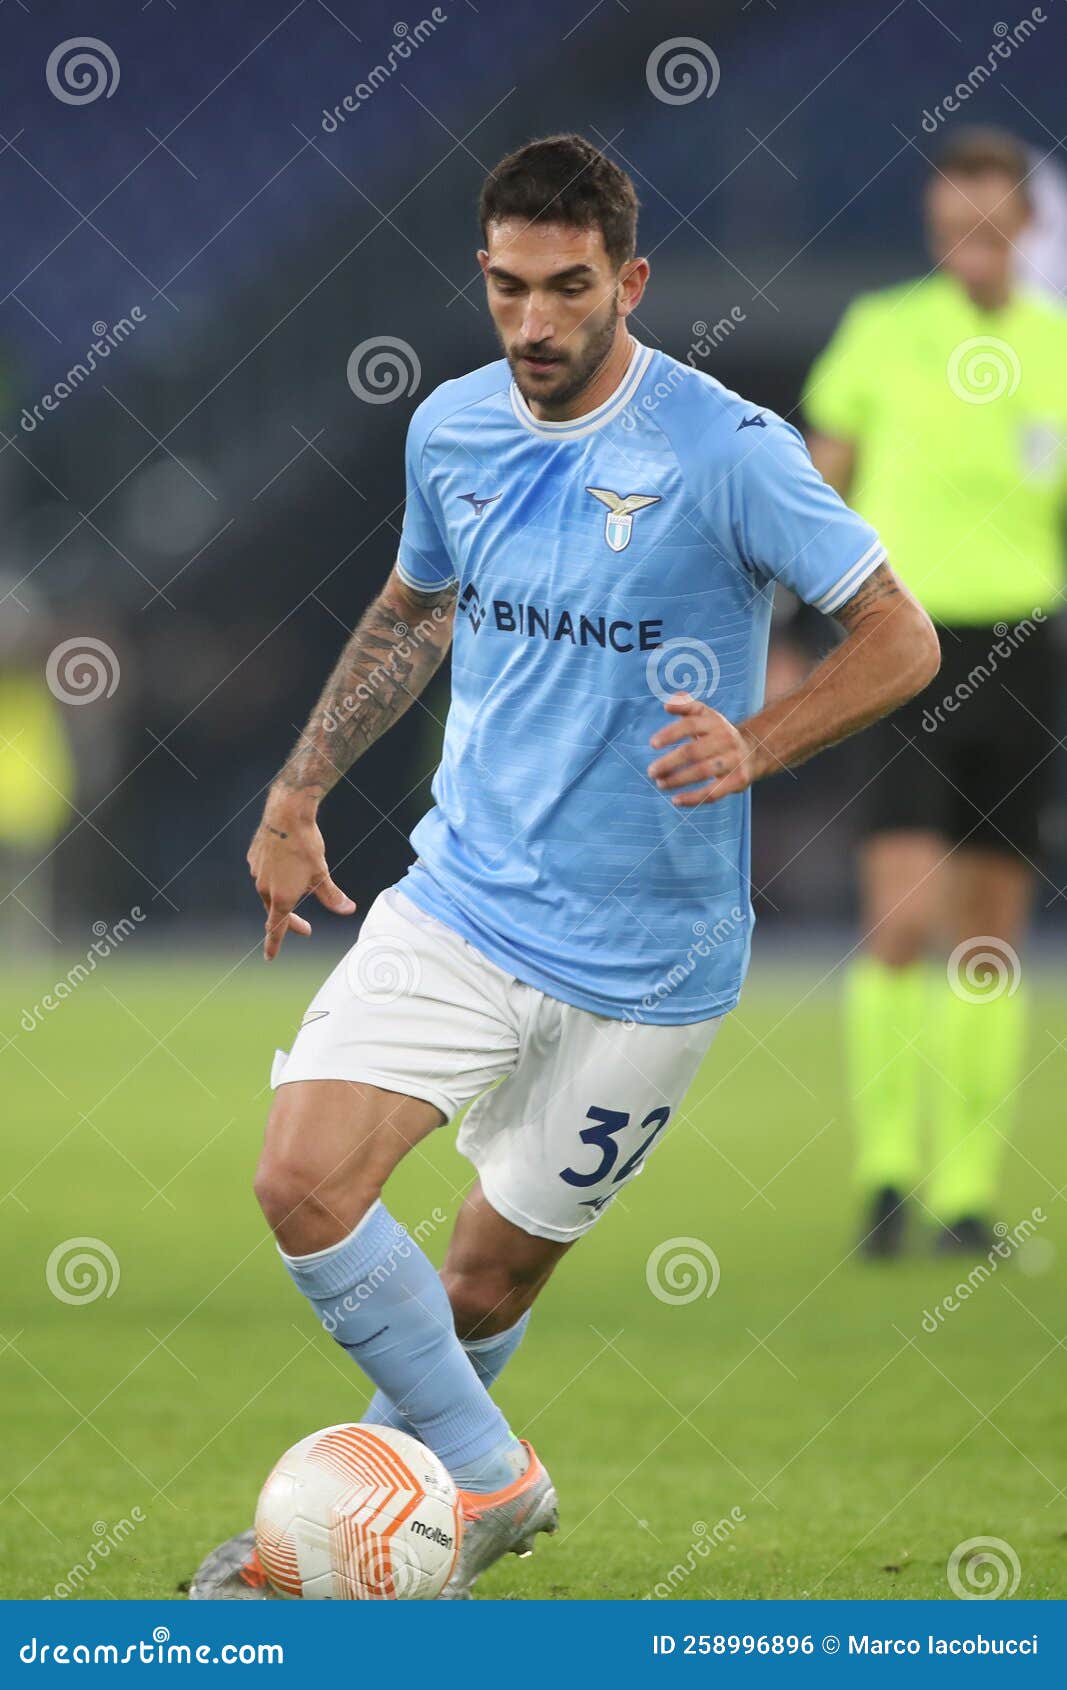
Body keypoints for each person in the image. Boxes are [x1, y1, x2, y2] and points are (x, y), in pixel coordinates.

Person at [191, 133, 938, 1600]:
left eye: (567, 289)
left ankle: (352, 1536)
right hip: (463, 901)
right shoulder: (455, 431)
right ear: (483, 277)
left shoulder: (726, 452)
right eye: (507, 289)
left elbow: (900, 639)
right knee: (300, 1182)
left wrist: (757, 740)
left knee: (480, 1286)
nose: (533, 323)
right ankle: (487, 1479)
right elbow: (410, 614)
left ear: (629, 281)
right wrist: (297, 790)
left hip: (650, 961)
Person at [804, 127, 1067, 1258]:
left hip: (1022, 648)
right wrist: (789, 631)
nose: (966, 234)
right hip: (904, 652)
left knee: (988, 939)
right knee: (902, 921)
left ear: (1022, 222)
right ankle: (884, 1181)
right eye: (948, 215)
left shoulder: (1056, 347)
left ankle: (963, 1200)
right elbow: (816, 491)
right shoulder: (878, 332)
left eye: (986, 213)